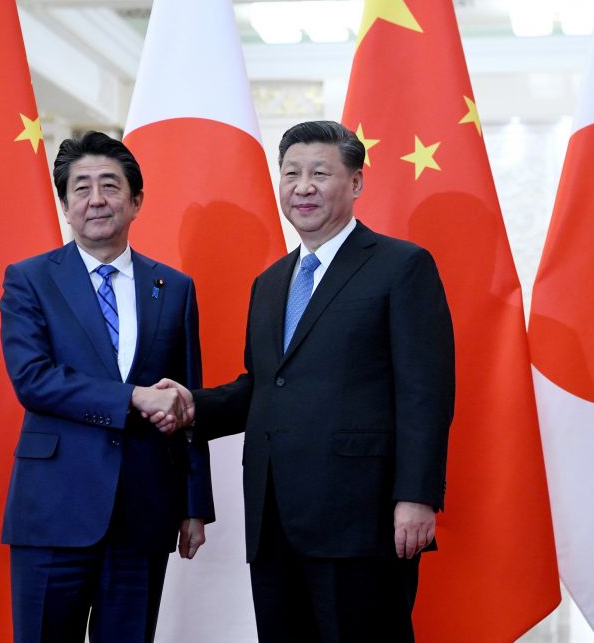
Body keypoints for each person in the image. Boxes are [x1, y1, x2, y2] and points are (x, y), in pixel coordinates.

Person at [166, 120, 455, 642]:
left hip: (360, 519)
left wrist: (416, 495)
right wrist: (192, 407)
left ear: (357, 183)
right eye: (291, 173)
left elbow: (425, 393)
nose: (303, 187)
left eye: (320, 173)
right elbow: (264, 386)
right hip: (274, 517)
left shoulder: (401, 266)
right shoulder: (271, 282)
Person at [0, 131, 214, 643]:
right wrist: (133, 397)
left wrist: (194, 502)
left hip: (144, 511)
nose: (96, 199)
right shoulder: (29, 280)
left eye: (110, 186)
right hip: (54, 510)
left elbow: (188, 399)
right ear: (66, 205)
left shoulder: (174, 288)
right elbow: (34, 380)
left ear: (136, 201)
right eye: (81, 188)